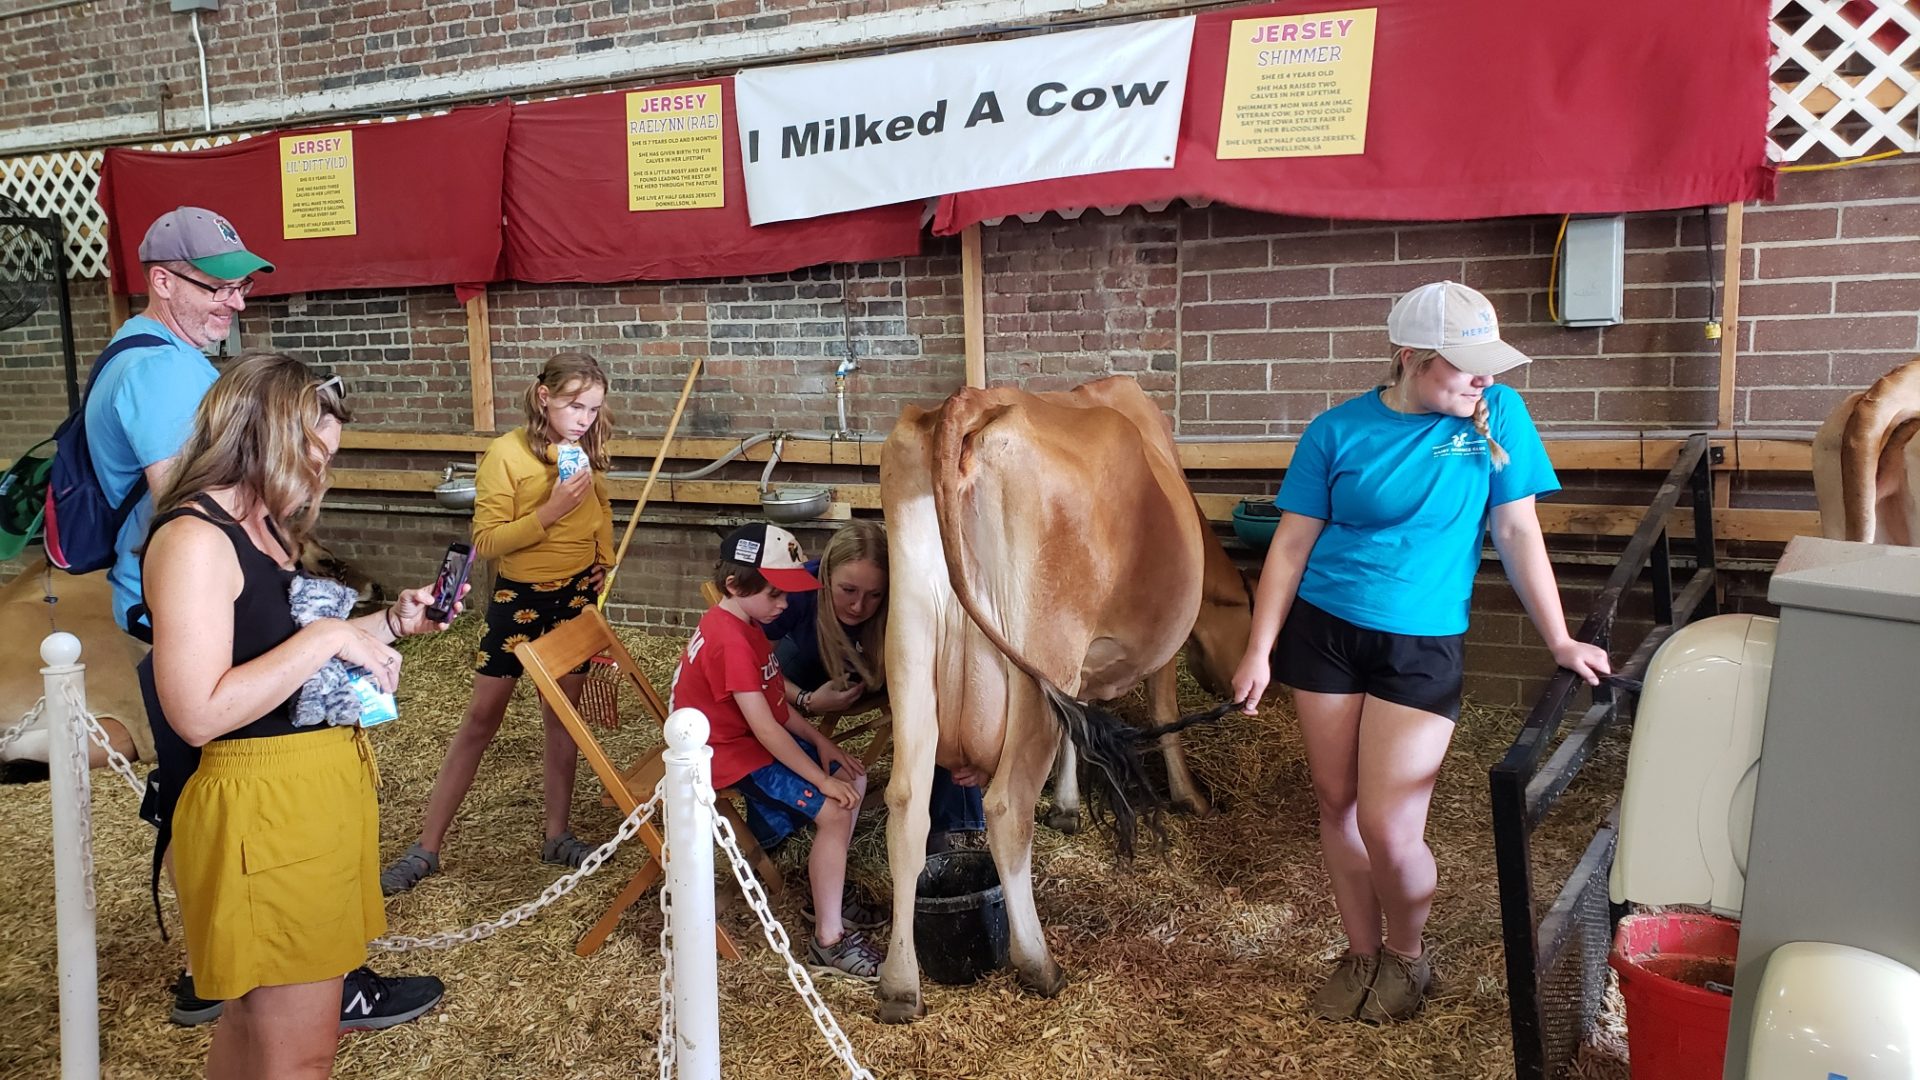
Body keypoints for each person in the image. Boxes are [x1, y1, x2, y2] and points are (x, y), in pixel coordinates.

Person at [1229, 281, 1611, 1024]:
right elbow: (1291, 545)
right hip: (1326, 633)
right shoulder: (1334, 432)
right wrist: (1259, 650)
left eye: (1488, 365)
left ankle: (1408, 953)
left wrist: (1560, 637)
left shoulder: (1495, 418)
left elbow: (1518, 532)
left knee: (1389, 826)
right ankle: (1361, 951)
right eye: (1465, 365)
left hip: (1423, 642)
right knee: (1338, 809)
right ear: (1410, 359)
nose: (1485, 379)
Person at [140, 354, 465, 1077]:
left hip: (307, 796)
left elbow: (273, 655)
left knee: (254, 1034)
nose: (320, 471)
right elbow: (198, 711)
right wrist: (328, 636)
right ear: (260, 434)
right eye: (311, 452)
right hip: (262, 805)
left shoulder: (260, 526)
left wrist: (389, 624)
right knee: (301, 1056)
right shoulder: (193, 539)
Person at [382, 353, 614, 893]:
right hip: (519, 600)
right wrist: (550, 511)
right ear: (543, 397)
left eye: (593, 409)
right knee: (482, 718)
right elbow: (486, 542)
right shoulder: (505, 455)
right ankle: (427, 847)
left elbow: (600, 507)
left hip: (576, 597)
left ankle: (558, 834)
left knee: (564, 716)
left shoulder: (587, 449)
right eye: (574, 405)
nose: (583, 418)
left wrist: (603, 558)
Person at [670, 522, 885, 981]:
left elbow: (777, 707)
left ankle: (828, 892)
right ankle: (829, 940)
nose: (785, 605)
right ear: (734, 585)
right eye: (775, 594)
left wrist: (825, 746)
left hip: (746, 740)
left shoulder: (745, 625)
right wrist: (821, 778)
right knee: (833, 808)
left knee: (854, 777)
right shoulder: (731, 641)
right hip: (728, 755)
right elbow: (767, 729)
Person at [760, 519, 987, 853]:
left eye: (874, 595)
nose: (858, 606)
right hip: (810, 672)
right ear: (826, 575)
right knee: (765, 714)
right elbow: (758, 670)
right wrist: (806, 700)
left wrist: (967, 747)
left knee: (936, 704)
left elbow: (943, 673)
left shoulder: (909, 594)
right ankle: (782, 823)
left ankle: (956, 825)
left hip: (883, 673)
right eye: (848, 590)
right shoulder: (798, 591)